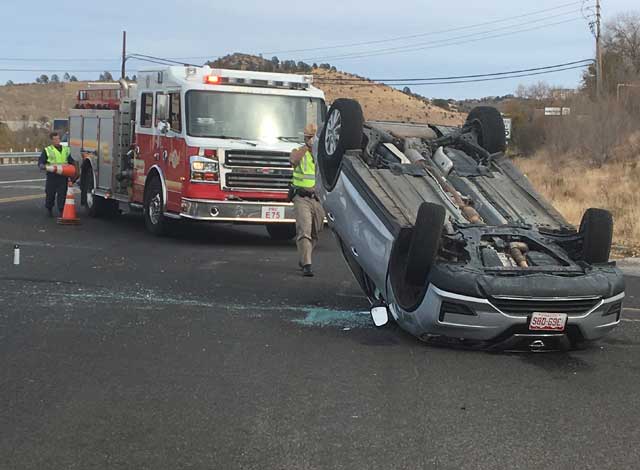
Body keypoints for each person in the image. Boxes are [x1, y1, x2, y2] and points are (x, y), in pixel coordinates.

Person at [289, 123, 325, 277]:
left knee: (315, 232)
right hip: (302, 198)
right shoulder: (299, 151)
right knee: (304, 231)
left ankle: (304, 257)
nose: (311, 140)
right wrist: (306, 148)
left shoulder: (322, 154)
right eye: (308, 137)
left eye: (313, 137)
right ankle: (307, 264)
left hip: (318, 199)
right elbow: (293, 160)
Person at [38, 132, 76, 217]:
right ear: (51, 140)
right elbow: (41, 161)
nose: (57, 141)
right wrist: (41, 165)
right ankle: (49, 209)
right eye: (55, 139)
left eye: (58, 139)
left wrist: (73, 170)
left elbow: (71, 161)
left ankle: (62, 210)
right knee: (50, 194)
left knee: (62, 194)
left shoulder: (66, 150)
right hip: (52, 176)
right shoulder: (48, 150)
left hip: (63, 176)